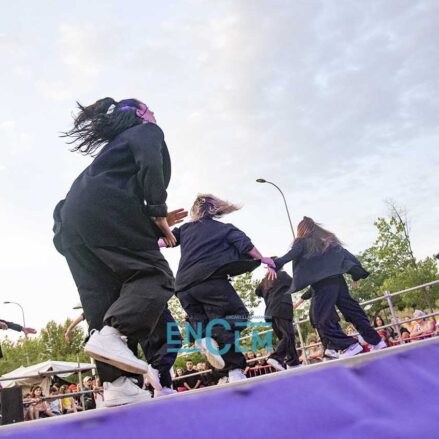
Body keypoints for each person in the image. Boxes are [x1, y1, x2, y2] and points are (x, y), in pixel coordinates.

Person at [53, 97, 187, 406]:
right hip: (105, 207)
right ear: (140, 113)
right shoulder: (146, 130)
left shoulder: (110, 151)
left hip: (71, 218)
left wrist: (154, 224)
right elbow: (150, 164)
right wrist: (157, 213)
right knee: (155, 275)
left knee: (103, 296)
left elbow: (112, 220)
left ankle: (117, 384)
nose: (154, 112)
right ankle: (112, 336)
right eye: (151, 108)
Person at [161, 194, 273, 382]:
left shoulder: (186, 229)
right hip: (210, 281)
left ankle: (229, 367)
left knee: (214, 326)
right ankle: (212, 340)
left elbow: (163, 242)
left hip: (182, 288)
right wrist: (264, 259)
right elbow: (245, 245)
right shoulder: (224, 229)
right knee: (238, 316)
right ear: (215, 210)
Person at [269, 217, 386, 359]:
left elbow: (291, 254)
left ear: (301, 230)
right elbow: (348, 256)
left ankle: (349, 345)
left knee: (319, 318)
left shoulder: (302, 242)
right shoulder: (328, 242)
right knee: (352, 311)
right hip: (338, 280)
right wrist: (356, 274)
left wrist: (275, 263)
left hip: (322, 284)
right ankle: (377, 342)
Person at [255, 267, 301, 370]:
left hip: (270, 312)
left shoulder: (265, 281)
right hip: (281, 309)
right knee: (288, 335)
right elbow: (295, 283)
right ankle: (275, 357)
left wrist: (266, 278)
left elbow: (257, 291)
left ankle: (293, 363)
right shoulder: (282, 275)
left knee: (286, 337)